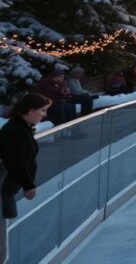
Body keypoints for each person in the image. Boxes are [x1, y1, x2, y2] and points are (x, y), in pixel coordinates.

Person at [0, 92, 51, 261]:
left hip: (6, 189)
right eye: (42, 110)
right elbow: (15, 161)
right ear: (30, 110)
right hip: (3, 189)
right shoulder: (16, 130)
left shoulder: (22, 127)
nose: (45, 114)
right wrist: (28, 185)